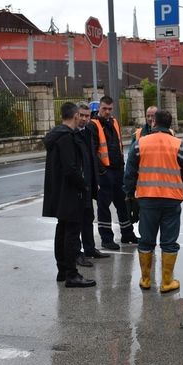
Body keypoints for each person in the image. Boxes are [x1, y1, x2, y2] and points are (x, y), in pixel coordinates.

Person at [123, 109, 183, 293]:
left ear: (154, 123)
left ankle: (146, 280)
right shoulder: (180, 146)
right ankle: (166, 282)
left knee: (146, 240)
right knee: (169, 241)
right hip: (171, 201)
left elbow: (130, 173)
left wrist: (129, 194)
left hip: (147, 200)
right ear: (170, 125)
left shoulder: (140, 144)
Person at [42, 102, 96, 288]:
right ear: (74, 116)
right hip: (70, 193)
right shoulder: (66, 137)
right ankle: (71, 274)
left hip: (59, 192)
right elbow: (70, 168)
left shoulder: (56, 135)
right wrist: (84, 186)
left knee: (63, 229)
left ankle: (63, 271)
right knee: (71, 233)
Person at [90, 95, 139, 251]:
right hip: (105, 172)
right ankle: (106, 239)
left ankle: (127, 234)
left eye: (110, 109)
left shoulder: (114, 122)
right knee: (104, 207)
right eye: (104, 108)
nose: (107, 112)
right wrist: (102, 172)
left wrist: (122, 167)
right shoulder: (93, 125)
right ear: (99, 108)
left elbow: (118, 146)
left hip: (118, 171)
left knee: (123, 203)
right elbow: (93, 152)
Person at [75, 102, 110, 265]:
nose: (83, 119)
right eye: (81, 115)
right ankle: (77, 253)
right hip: (77, 185)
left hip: (89, 182)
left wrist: (96, 179)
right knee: (76, 220)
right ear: (76, 115)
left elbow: (92, 156)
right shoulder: (71, 133)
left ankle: (90, 249)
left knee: (88, 217)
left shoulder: (88, 130)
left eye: (86, 116)